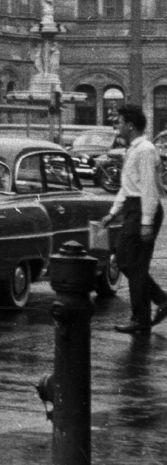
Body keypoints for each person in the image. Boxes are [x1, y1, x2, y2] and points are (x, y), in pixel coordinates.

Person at [100, 104, 167, 333]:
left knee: (130, 263)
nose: (116, 125)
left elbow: (149, 188)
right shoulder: (134, 149)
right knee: (128, 262)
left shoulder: (145, 150)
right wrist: (113, 212)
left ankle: (142, 318)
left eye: (119, 122)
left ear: (130, 125)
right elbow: (127, 186)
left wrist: (147, 221)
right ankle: (158, 303)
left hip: (142, 209)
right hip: (133, 208)